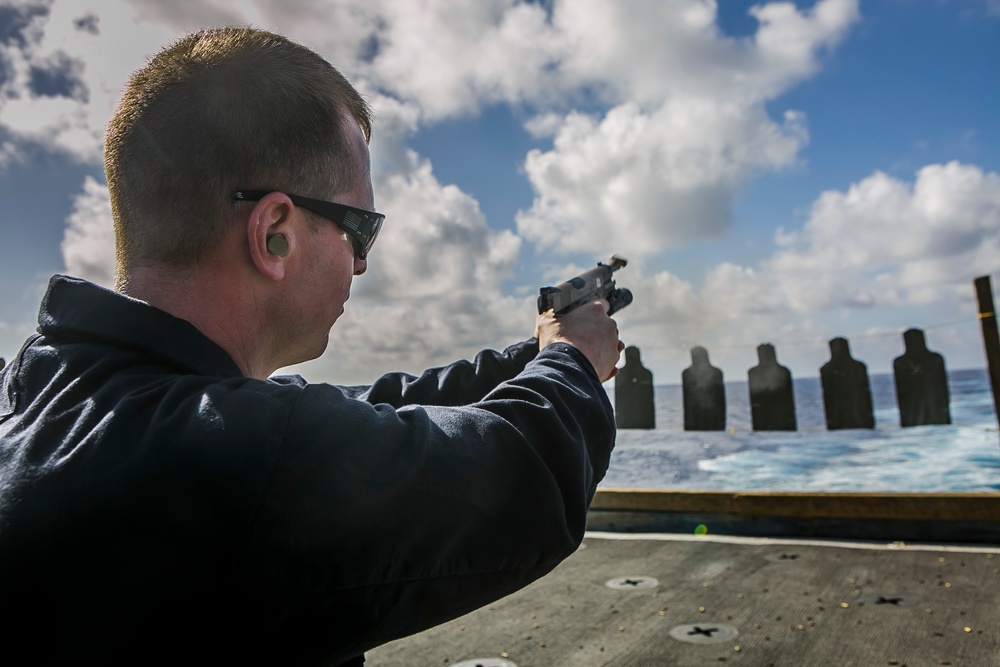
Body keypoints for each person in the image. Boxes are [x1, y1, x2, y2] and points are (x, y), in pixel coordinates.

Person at [0, 28, 623, 666]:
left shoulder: (38, 390)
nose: (359, 264)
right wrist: (573, 357)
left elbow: (375, 406)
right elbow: (522, 470)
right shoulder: (240, 459)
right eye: (360, 229)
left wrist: (537, 350)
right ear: (274, 233)